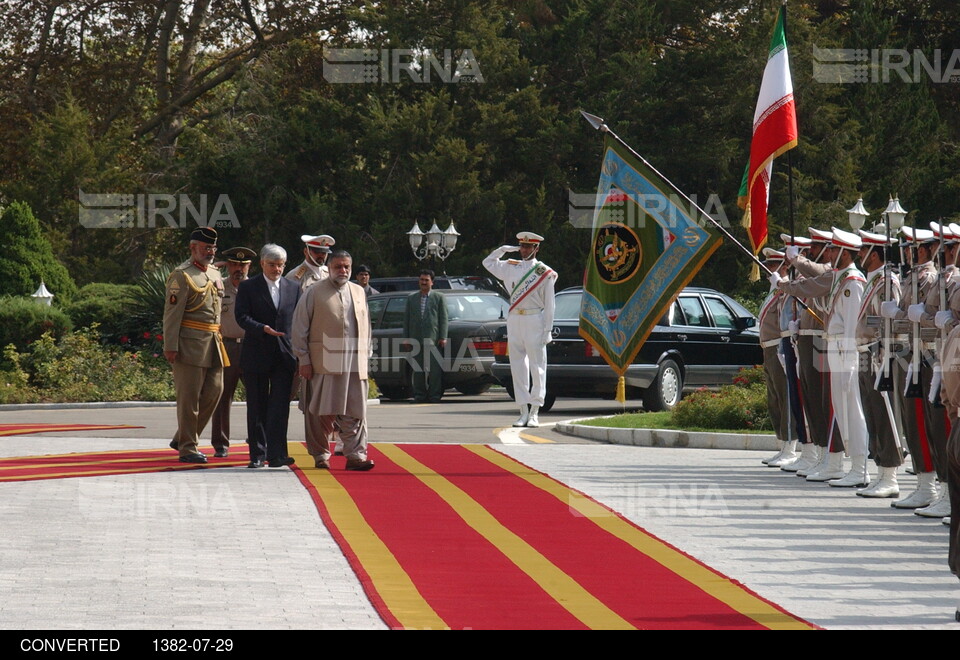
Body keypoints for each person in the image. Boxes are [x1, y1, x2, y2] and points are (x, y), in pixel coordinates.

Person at [291, 250, 375, 471]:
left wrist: (367, 356)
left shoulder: (358, 291)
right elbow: (300, 328)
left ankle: (355, 455)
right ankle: (320, 455)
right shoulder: (314, 292)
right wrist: (304, 360)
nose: (343, 271)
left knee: (355, 411)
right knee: (320, 411)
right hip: (323, 362)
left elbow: (367, 328)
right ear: (330, 268)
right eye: (338, 266)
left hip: (354, 363)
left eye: (346, 266)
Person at [163, 226, 227, 464]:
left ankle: (182, 436)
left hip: (213, 343)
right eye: (205, 247)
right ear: (193, 248)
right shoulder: (182, 275)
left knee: (214, 391)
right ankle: (188, 448)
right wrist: (170, 345)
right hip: (189, 344)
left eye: (212, 248)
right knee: (189, 399)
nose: (210, 252)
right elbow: (171, 314)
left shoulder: (214, 272)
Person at [235, 244, 302, 469]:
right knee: (257, 406)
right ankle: (257, 454)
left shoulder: (294, 287)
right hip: (257, 353)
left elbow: (299, 320)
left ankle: (277, 454)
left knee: (280, 406)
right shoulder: (248, 287)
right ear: (262, 263)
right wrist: (261, 328)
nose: (277, 269)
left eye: (280, 265)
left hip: (284, 355)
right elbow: (241, 316)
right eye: (272, 264)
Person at [482, 231, 558, 428]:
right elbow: (488, 263)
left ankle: (535, 411)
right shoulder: (510, 267)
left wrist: (547, 329)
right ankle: (522, 410)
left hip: (535, 319)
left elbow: (550, 305)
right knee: (517, 366)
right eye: (521, 246)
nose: (524, 250)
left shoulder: (545, 273)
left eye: (528, 247)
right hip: (515, 319)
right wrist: (503, 250)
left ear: (536, 248)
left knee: (537, 367)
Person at [209, 246, 256, 458]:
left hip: (252, 346)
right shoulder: (218, 286)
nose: (239, 268)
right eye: (235, 264)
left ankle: (257, 439)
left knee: (257, 397)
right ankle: (221, 444)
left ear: (249, 266)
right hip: (226, 346)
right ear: (227, 265)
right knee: (222, 396)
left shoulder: (257, 287)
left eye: (243, 264)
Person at [403, 269, 449, 403]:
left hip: (433, 339)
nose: (423, 282)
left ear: (432, 282)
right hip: (415, 339)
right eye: (421, 280)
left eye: (426, 280)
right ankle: (420, 395)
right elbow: (406, 319)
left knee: (435, 371)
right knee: (418, 370)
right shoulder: (412, 298)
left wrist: (443, 336)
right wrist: (406, 337)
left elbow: (443, 318)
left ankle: (434, 396)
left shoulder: (439, 297)